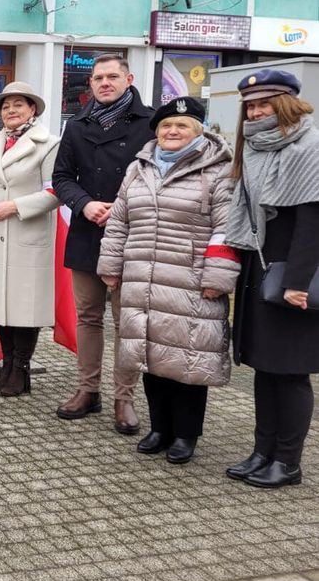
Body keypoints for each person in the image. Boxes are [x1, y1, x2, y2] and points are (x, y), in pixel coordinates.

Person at [97, 97, 238, 464]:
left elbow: (226, 229)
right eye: (166, 127)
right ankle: (159, 427)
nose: (172, 132)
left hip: (190, 280)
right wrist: (110, 265)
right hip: (142, 275)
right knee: (150, 354)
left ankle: (186, 435)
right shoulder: (140, 168)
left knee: (188, 360)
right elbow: (119, 221)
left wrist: (218, 276)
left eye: (182, 126)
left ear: (199, 131)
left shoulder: (217, 170)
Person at [224, 69, 319, 488]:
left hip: (291, 271)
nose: (257, 110)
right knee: (264, 367)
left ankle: (288, 461)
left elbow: (313, 222)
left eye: (265, 103)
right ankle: (262, 452)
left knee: (291, 371)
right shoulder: (255, 146)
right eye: (251, 105)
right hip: (257, 267)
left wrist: (296, 282)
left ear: (286, 102)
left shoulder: (308, 145)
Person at [52, 53, 154, 433]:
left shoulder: (151, 122)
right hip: (88, 232)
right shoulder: (76, 125)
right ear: (90, 83)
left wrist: (124, 209)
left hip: (133, 236)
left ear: (128, 78)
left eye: (112, 77)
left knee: (126, 322)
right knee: (88, 318)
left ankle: (123, 398)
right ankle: (87, 390)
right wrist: (85, 203)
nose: (105, 83)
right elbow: (61, 176)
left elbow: (159, 177)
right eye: (98, 78)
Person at [0, 82, 60, 396]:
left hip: (26, 235)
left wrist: (16, 206)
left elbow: (55, 191)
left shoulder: (49, 144)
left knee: (23, 308)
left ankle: (21, 368)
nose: (11, 111)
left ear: (33, 109)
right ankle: (7, 365)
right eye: (6, 106)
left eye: (19, 104)